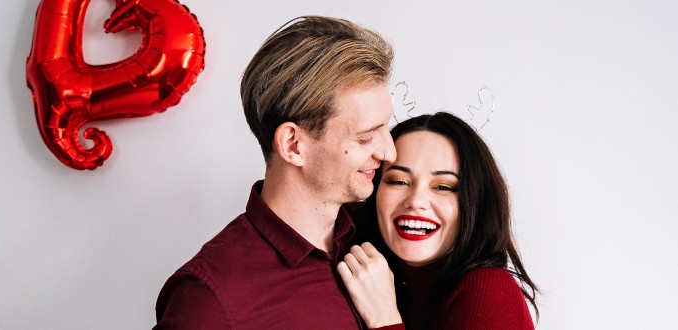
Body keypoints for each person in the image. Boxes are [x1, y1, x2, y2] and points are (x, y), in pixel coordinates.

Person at [153, 16, 397, 329]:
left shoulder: (379, 236)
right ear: (293, 145)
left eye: (385, 129)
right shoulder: (209, 300)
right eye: (365, 137)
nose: (388, 152)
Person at [337, 112, 539, 329]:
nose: (416, 201)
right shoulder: (371, 271)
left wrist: (384, 318)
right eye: (398, 181)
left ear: (474, 203)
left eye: (443, 187)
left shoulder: (489, 290)